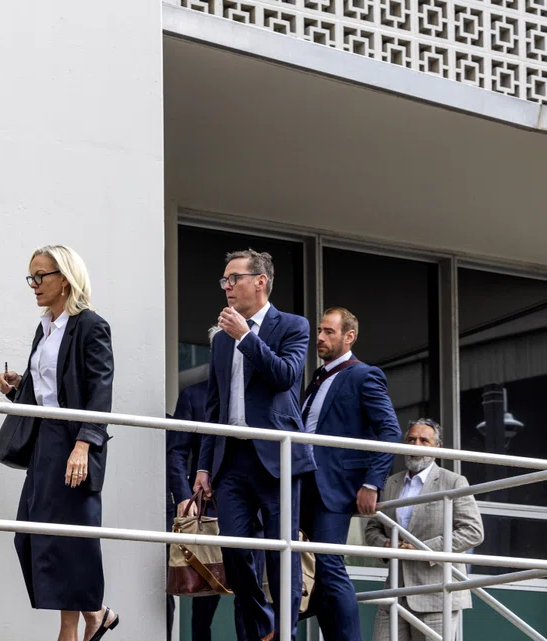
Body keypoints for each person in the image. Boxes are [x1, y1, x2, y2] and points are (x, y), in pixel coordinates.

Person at [0, 245, 120, 641]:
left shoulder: (90, 325)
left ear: (64, 279)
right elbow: (48, 390)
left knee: (70, 539)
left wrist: (84, 443)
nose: (33, 285)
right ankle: (96, 614)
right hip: (44, 443)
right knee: (35, 536)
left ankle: (76, 624)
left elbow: (100, 390)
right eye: (31, 277)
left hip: (72, 442)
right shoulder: (45, 327)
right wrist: (17, 389)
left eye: (40, 276)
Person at [194, 249, 313, 641]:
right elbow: (214, 405)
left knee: (283, 553)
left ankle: (285, 633)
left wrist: (245, 336)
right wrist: (203, 466)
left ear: (260, 281)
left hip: (277, 457)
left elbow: (285, 377)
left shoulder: (292, 326)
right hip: (232, 459)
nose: (227, 287)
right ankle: (261, 625)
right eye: (224, 281)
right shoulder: (221, 341)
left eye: (235, 278)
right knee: (234, 550)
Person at [299, 307, 401, 641]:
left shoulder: (363, 375)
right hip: (302, 485)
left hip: (333, 487)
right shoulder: (316, 378)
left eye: (329, 332)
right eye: (319, 331)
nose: (320, 338)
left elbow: (389, 431)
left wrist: (372, 482)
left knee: (328, 565)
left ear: (349, 336)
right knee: (298, 566)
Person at [167, 327, 265, 641]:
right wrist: (183, 496)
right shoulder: (193, 395)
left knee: (248, 595)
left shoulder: (256, 396)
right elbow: (177, 451)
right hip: (206, 512)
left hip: (252, 512)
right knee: (203, 598)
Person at [365, 419, 484, 641]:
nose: (416, 445)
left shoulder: (453, 482)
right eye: (411, 439)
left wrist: (424, 548)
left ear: (437, 449)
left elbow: (473, 531)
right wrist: (385, 544)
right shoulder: (390, 483)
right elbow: (373, 528)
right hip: (395, 592)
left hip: (437, 593)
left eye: (424, 440)